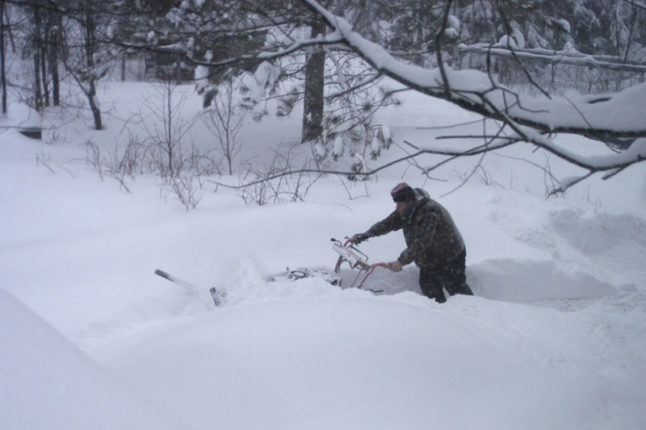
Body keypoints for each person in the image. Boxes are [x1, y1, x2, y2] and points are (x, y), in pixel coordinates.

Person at [350, 183, 473, 303]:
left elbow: (422, 243)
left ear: (410, 201)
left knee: (457, 290)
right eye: (396, 203)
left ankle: (472, 313)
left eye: (399, 203)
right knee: (429, 290)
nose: (397, 207)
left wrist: (400, 261)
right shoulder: (406, 210)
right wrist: (366, 234)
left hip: (450, 256)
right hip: (429, 258)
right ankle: (440, 317)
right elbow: (387, 224)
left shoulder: (429, 212)